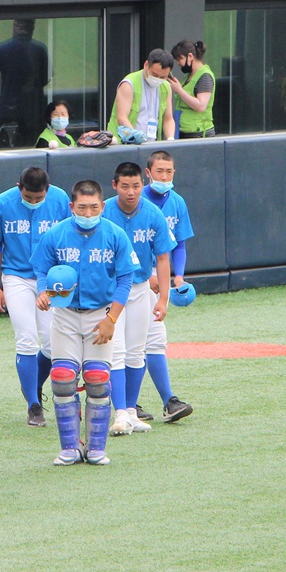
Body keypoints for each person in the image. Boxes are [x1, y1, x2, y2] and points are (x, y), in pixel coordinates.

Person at [31, 180, 138, 465]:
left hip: (100, 314)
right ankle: (69, 447)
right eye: (82, 207)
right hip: (65, 314)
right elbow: (41, 267)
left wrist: (112, 319)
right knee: (63, 378)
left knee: (97, 379)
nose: (88, 213)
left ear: (103, 206)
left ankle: (95, 448)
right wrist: (43, 291)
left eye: (93, 208)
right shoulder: (56, 234)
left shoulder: (115, 234)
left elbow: (126, 277)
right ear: (71, 207)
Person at [0, 166, 70, 427]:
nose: (33, 202)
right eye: (28, 197)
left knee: (53, 345)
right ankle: (33, 404)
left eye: (38, 197)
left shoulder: (60, 199)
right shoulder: (2, 203)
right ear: (19, 187)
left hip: (52, 277)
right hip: (16, 276)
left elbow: (69, 240)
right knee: (26, 340)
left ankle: (33, 384)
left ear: (48, 189)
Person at [102, 162, 174, 436]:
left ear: (142, 184)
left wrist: (163, 298)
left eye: (135, 186)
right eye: (125, 186)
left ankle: (130, 411)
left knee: (136, 351)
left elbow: (163, 257)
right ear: (114, 185)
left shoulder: (153, 213)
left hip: (141, 286)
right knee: (116, 351)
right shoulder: (105, 210)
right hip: (111, 290)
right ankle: (119, 412)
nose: (131, 192)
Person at [141, 151, 196, 422]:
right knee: (129, 344)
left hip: (159, 273)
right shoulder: (135, 202)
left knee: (153, 339)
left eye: (169, 171)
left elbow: (180, 244)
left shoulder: (177, 202)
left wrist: (178, 277)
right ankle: (128, 404)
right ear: (148, 172)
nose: (164, 176)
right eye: (159, 171)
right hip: (131, 276)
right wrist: (142, 274)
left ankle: (168, 401)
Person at [0, 19, 50, 147]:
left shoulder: (1, 48)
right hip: (34, 111)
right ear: (32, 27)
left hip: (7, 111)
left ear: (15, 27)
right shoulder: (40, 49)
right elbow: (45, 79)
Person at [107, 49, 176, 144]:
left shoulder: (166, 87)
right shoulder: (129, 84)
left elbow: (168, 118)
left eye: (163, 77)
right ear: (146, 65)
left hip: (151, 144)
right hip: (124, 143)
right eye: (154, 74)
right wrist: (136, 137)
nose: (157, 79)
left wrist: (170, 138)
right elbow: (122, 118)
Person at [168, 40, 216, 138]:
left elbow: (201, 106)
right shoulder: (189, 76)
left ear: (190, 56)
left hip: (198, 133)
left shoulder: (204, 76)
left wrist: (179, 90)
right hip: (184, 130)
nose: (178, 63)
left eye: (180, 59)